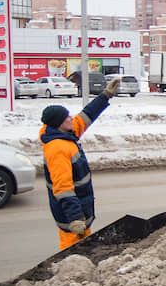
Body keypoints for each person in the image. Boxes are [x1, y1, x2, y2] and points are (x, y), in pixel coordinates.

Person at [40, 76, 120, 249]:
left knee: (85, 248)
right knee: (72, 253)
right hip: (72, 218)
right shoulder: (57, 148)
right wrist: (75, 219)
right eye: (66, 117)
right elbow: (63, 188)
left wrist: (105, 95)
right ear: (58, 124)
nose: (71, 118)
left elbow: (86, 116)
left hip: (81, 212)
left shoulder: (64, 134)